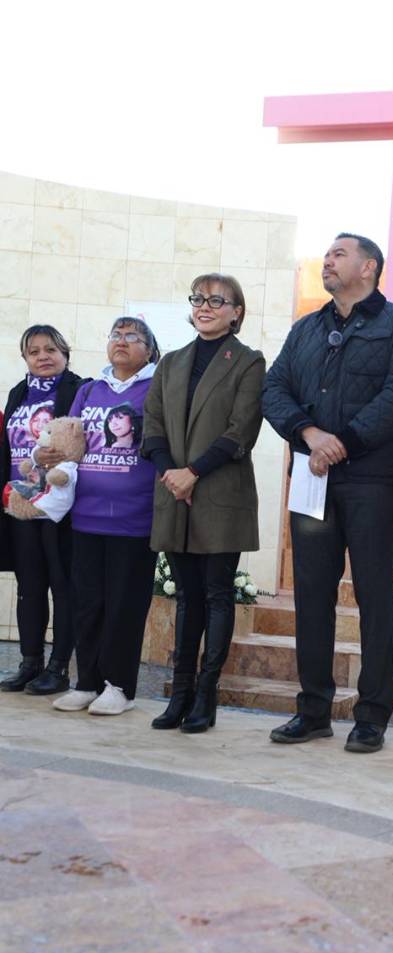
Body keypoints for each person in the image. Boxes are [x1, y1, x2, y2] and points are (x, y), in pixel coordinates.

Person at [262, 233, 393, 753]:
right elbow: (274, 389)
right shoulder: (306, 329)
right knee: (312, 594)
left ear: (369, 266)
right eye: (326, 255)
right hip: (313, 477)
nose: (327, 261)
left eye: (338, 254)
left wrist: (345, 443)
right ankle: (312, 710)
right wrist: (309, 435)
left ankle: (372, 716)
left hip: (371, 480)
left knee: (374, 595)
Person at [143, 273, 265, 734]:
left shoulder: (249, 362)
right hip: (173, 490)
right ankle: (179, 694)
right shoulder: (171, 362)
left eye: (218, 300)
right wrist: (172, 474)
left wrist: (193, 473)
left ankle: (206, 695)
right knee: (186, 598)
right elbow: (151, 422)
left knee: (216, 594)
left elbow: (242, 429)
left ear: (237, 311)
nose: (205, 307)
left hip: (219, 492)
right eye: (199, 299)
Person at [52, 317, 160, 715]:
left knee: (124, 605)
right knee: (88, 603)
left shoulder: (156, 387)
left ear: (149, 349)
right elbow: (69, 443)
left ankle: (120, 687)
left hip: (135, 517)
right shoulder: (89, 390)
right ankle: (87, 682)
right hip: (86, 515)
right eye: (115, 334)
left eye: (133, 337)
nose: (122, 342)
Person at [0, 325, 87, 695]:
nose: (43, 357)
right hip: (22, 503)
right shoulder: (18, 392)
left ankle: (58, 669)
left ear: (65, 353)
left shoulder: (79, 389)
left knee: (62, 586)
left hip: (59, 505)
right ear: (25, 359)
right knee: (29, 586)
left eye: (50, 349)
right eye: (34, 351)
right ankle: (29, 663)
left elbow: (84, 438)